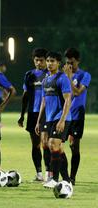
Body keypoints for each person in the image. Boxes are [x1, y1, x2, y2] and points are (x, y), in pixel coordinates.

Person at [35, 51, 72, 188]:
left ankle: (54, 180)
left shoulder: (62, 78)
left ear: (58, 63)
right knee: (58, 149)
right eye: (48, 61)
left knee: (53, 145)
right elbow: (43, 102)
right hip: (49, 118)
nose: (50, 64)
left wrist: (62, 120)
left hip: (62, 117)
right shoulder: (45, 80)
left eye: (53, 61)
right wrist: (39, 121)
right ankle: (67, 179)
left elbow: (68, 99)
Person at [18, 48, 50, 181]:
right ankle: (39, 174)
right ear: (33, 60)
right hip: (32, 112)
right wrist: (22, 115)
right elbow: (25, 96)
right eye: (36, 60)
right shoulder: (29, 75)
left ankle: (49, 173)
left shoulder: (51, 74)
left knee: (45, 143)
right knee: (35, 144)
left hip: (47, 113)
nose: (39, 63)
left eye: (41, 60)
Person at [63, 48, 90, 185]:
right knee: (56, 145)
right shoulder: (62, 75)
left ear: (77, 61)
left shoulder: (84, 75)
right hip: (63, 115)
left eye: (72, 62)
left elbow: (78, 92)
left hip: (77, 115)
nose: (69, 65)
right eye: (67, 63)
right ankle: (63, 175)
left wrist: (69, 77)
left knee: (74, 145)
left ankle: (72, 177)